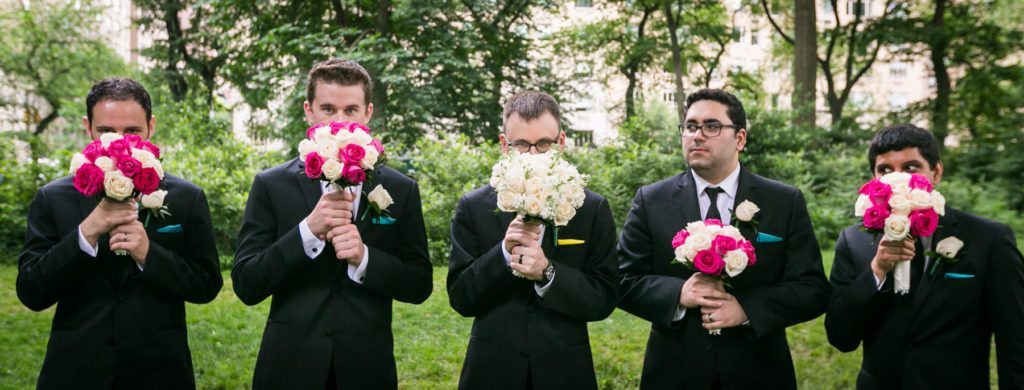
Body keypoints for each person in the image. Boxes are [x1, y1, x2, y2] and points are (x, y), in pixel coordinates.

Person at [232, 58, 431, 389]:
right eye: (328, 109)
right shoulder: (270, 185)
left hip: (367, 370)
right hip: (289, 369)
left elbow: (420, 284)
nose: (340, 122)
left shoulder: (401, 189)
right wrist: (306, 232)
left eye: (351, 110)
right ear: (309, 111)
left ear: (368, 113)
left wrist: (365, 259)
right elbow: (246, 283)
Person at [617, 88, 830, 389]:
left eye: (712, 126)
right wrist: (678, 294)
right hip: (675, 372)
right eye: (690, 126)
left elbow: (813, 289)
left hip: (759, 371)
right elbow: (622, 279)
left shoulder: (784, 201)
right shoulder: (651, 200)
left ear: (740, 139)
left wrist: (747, 309)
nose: (697, 135)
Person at [17, 77, 222, 389]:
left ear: (151, 127)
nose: (120, 142)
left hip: (160, 373)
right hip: (74, 372)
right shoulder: (53, 198)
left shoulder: (186, 198)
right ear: (88, 128)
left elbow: (207, 284)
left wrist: (149, 255)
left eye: (132, 131)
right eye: (106, 131)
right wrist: (86, 232)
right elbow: (31, 291)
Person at [825, 124, 1024, 388]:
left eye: (911, 167)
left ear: (936, 171)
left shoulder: (989, 239)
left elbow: (1016, 341)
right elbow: (841, 336)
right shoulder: (854, 241)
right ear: (874, 179)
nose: (899, 179)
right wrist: (877, 270)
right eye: (885, 170)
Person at [447, 90, 619, 389]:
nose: (533, 154)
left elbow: (604, 298)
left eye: (544, 143)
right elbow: (461, 298)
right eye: (522, 145)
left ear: (561, 142)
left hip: (565, 369)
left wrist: (548, 272)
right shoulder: (473, 206)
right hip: (491, 370)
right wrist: (502, 252)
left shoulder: (591, 208)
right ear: (505, 145)